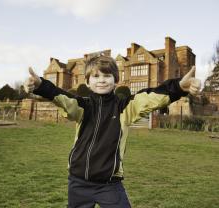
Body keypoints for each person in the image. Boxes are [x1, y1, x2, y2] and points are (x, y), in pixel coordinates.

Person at [24, 53, 201, 208]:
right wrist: (40, 84)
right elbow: (61, 97)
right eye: (96, 76)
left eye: (107, 76)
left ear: (116, 80)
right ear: (87, 81)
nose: (101, 80)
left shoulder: (124, 107)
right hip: (78, 183)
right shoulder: (82, 106)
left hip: (109, 185)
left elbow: (151, 97)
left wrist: (178, 87)